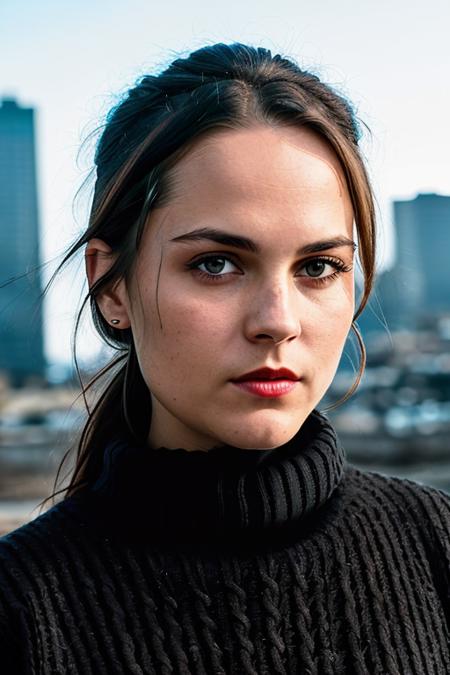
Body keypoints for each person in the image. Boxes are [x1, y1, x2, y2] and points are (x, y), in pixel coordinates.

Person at [0, 42, 449, 674]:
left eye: (318, 267)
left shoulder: (435, 544)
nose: (277, 322)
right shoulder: (21, 611)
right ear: (111, 285)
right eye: (216, 264)